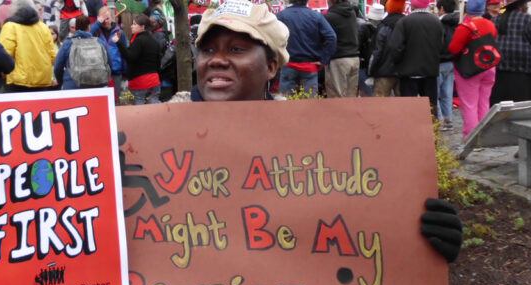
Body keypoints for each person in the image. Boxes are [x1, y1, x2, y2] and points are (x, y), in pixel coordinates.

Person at [168, 0, 463, 263]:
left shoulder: (315, 145)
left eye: (235, 49)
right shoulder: (158, 140)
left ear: (271, 67)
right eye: (207, 49)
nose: (216, 60)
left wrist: (419, 241)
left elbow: (352, 224)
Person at [449, 0, 498, 137]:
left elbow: (454, 49)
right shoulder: (491, 24)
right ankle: (485, 133)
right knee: (484, 101)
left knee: (469, 104)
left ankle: (471, 136)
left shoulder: (465, 27)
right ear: (483, 9)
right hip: (488, 66)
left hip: (470, 69)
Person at [388, 0, 443, 114]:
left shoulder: (404, 22)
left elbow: (395, 47)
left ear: (412, 4)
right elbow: (441, 45)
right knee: (430, 106)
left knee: (409, 107)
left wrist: (398, 63)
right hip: (430, 70)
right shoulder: (436, 21)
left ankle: (409, 130)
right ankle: (431, 129)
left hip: (408, 70)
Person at [276, 0, 337, 97]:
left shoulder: (281, 16)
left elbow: (272, 36)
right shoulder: (316, 16)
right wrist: (324, 60)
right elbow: (331, 37)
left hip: (288, 64)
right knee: (310, 105)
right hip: (310, 66)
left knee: (286, 104)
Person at [489, 0, 531, 105]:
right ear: (522, 5)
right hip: (524, 67)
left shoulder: (495, 20)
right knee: (523, 102)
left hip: (500, 65)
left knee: (500, 100)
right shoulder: (527, 19)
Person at [0, 0, 60, 92]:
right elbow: (52, 55)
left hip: (18, 81)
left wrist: (2, 75)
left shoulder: (10, 26)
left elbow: (4, 55)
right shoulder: (43, 27)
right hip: (43, 80)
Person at [113, 14, 162, 104]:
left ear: (143, 27)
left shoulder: (139, 40)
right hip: (154, 81)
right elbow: (159, 62)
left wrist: (118, 43)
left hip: (140, 82)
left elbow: (130, 57)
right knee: (154, 109)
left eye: (135, 24)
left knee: (140, 111)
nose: (131, 26)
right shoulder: (154, 41)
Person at [53, 15, 110, 89]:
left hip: (72, 85)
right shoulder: (100, 43)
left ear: (75, 28)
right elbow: (109, 64)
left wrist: (62, 80)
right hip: (96, 85)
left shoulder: (67, 44)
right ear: (89, 27)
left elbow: (57, 67)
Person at [323, 0, 361, 98]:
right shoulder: (352, 13)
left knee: (337, 98)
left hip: (338, 60)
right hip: (354, 58)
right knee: (351, 97)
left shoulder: (329, 17)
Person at [368, 0, 406, 97]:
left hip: (383, 72)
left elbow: (377, 52)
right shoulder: (408, 24)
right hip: (404, 72)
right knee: (404, 106)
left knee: (380, 105)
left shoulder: (383, 26)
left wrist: (371, 71)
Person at [91, 6, 127, 101]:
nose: (105, 21)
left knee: (115, 100)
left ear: (112, 17)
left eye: (107, 18)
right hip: (99, 72)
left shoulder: (119, 32)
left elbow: (124, 52)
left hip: (116, 71)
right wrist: (97, 23)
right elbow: (87, 36)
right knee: (101, 101)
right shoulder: (96, 31)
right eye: (103, 19)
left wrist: (125, 73)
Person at [436, 0, 459, 129]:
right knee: (448, 93)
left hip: (439, 62)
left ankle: (440, 120)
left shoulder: (439, 24)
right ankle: (448, 119)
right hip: (451, 62)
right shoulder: (456, 23)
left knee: (436, 93)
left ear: (442, 8)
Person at [356, 3, 383, 97]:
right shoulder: (384, 28)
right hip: (380, 66)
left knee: (366, 92)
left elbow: (357, 44)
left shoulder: (363, 27)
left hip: (364, 64)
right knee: (378, 93)